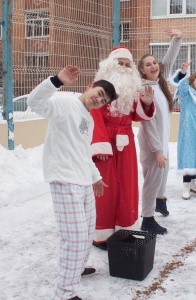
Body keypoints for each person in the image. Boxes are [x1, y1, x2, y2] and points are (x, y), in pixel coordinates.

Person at [27, 65, 118, 300]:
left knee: (87, 232)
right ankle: (65, 292)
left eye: (103, 100)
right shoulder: (65, 104)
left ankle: (76, 269)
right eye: (98, 93)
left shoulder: (87, 118)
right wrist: (56, 81)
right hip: (64, 179)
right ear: (90, 88)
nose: (98, 99)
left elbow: (82, 151)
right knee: (75, 237)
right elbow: (34, 103)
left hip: (82, 182)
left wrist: (95, 177)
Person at [91, 46, 155, 250]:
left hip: (125, 142)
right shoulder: (97, 87)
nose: (125, 68)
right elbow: (93, 116)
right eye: (120, 64)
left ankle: (124, 230)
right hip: (105, 143)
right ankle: (101, 235)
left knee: (127, 185)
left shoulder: (132, 89)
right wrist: (100, 147)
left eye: (128, 65)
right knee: (105, 189)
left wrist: (145, 103)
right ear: (110, 65)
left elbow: (137, 116)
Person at [137, 27, 182, 234]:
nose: (154, 65)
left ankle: (160, 202)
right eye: (148, 64)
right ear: (142, 71)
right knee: (152, 180)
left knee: (162, 175)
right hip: (152, 143)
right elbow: (147, 123)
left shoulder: (158, 84)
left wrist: (176, 39)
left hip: (161, 142)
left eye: (154, 62)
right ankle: (147, 219)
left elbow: (169, 60)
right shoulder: (144, 89)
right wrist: (157, 150)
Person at [169, 61, 196, 200]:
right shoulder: (186, 94)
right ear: (192, 80)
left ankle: (192, 182)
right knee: (188, 154)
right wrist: (184, 72)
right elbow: (182, 85)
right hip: (188, 130)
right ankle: (185, 186)